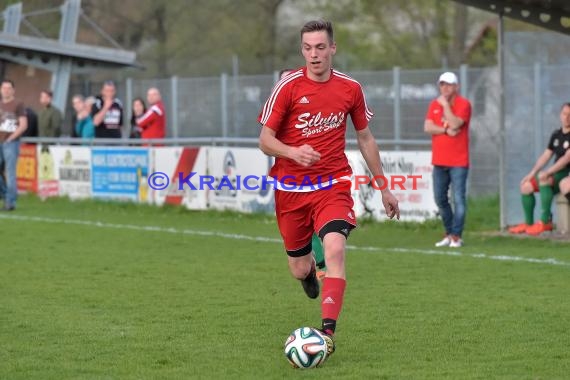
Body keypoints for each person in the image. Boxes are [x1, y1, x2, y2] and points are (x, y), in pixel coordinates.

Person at [258, 20, 399, 355]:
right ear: (301, 50)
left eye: (320, 47)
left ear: (332, 48)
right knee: (299, 266)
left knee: (334, 248)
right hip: (290, 189)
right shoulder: (288, 87)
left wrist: (384, 188)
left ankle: (326, 335)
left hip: (333, 184)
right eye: (307, 48)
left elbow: (365, 138)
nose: (314, 54)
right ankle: (307, 272)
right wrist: (293, 152)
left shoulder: (350, 88)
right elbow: (265, 140)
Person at [278, 68, 327, 278]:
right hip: (289, 181)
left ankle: (323, 266)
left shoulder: (309, 104)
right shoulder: (277, 109)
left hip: (317, 175)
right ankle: (310, 266)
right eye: (283, 81)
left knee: (319, 222)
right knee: (299, 230)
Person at [424, 72, 472, 248]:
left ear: (456, 87)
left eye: (449, 84)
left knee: (458, 199)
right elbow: (428, 126)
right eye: (442, 84)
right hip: (439, 161)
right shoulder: (433, 104)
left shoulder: (463, 104)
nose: (445, 88)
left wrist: (445, 106)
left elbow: (456, 123)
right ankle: (449, 232)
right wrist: (444, 130)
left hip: (459, 161)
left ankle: (457, 236)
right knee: (440, 199)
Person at [508, 103, 570, 235]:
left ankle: (545, 221)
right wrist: (532, 173)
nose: (567, 117)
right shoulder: (556, 134)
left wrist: (547, 172)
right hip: (555, 172)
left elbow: (566, 160)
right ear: (560, 115)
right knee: (526, 186)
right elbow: (546, 155)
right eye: (565, 114)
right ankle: (528, 223)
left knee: (544, 178)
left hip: (565, 173)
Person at [0, 79, 28, 211]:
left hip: (11, 143)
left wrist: (10, 138)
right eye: (4, 88)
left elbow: (23, 125)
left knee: (10, 173)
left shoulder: (18, 104)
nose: (6, 90)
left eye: (9, 88)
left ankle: (10, 202)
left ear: (13, 90)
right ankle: (5, 195)